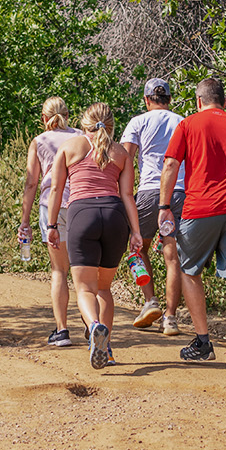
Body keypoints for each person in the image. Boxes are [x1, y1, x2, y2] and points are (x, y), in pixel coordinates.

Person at [159, 77, 226, 374]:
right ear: (225, 101)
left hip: (200, 207)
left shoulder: (188, 124)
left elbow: (170, 165)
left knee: (189, 270)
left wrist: (165, 207)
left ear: (198, 101)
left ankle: (204, 343)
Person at [46, 104, 143, 370]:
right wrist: (135, 231)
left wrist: (52, 224)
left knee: (85, 289)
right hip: (114, 217)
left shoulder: (69, 147)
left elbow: (55, 189)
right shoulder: (121, 153)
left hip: (82, 215)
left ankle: (94, 326)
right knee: (103, 288)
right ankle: (107, 348)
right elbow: (127, 195)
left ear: (84, 122)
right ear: (111, 125)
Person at [119, 78, 185, 332]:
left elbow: (125, 159)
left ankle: (150, 300)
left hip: (149, 191)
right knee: (172, 257)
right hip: (178, 192)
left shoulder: (138, 122)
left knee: (136, 248)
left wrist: (122, 194)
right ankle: (170, 317)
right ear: (169, 99)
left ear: (147, 100)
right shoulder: (181, 121)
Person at [19, 97, 80, 347]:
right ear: (68, 114)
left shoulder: (39, 141)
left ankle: (62, 330)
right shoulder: (81, 136)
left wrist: (25, 220)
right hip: (79, 203)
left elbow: (32, 182)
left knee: (59, 270)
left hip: (51, 208)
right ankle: (91, 324)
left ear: (44, 118)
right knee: (81, 268)